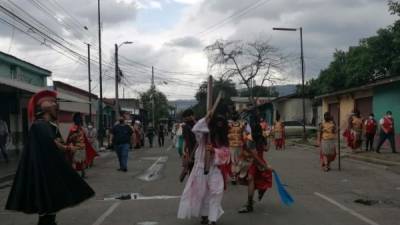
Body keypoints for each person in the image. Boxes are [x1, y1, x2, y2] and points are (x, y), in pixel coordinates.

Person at [6, 90, 94, 225]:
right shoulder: (39, 125)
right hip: (43, 171)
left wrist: (67, 146)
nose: (56, 108)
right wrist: (67, 148)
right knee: (47, 209)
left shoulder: (48, 125)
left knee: (51, 208)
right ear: (46, 107)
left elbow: (55, 141)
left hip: (50, 170)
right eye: (54, 105)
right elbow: (51, 143)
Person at [177, 113, 230, 225]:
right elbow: (196, 128)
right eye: (218, 122)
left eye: (222, 123)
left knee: (216, 192)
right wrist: (207, 117)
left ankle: (213, 219)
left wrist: (214, 151)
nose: (220, 125)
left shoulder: (223, 139)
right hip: (200, 168)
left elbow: (225, 155)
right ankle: (205, 215)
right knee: (202, 193)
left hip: (215, 168)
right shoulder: (203, 135)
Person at [237, 111, 272, 213]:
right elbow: (266, 149)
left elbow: (255, 152)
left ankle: (249, 204)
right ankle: (252, 201)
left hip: (255, 162)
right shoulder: (260, 138)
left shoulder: (253, 139)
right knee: (255, 179)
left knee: (251, 179)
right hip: (259, 162)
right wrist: (268, 138)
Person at [66, 113, 97, 178]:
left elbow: (70, 139)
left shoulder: (73, 129)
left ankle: (75, 175)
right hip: (82, 147)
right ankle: (83, 174)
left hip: (76, 147)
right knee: (82, 162)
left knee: (74, 161)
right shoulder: (82, 129)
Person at [180, 109, 197, 182]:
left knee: (192, 170)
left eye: (184, 117)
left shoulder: (187, 126)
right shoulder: (186, 126)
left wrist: (184, 150)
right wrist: (184, 150)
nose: (184, 119)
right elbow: (186, 140)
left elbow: (186, 141)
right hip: (193, 151)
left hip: (193, 150)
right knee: (193, 169)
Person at [228, 111, 244, 185]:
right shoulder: (242, 125)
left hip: (231, 146)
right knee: (239, 161)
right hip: (239, 145)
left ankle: (234, 176)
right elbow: (245, 134)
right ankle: (237, 175)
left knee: (233, 161)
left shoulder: (229, 125)